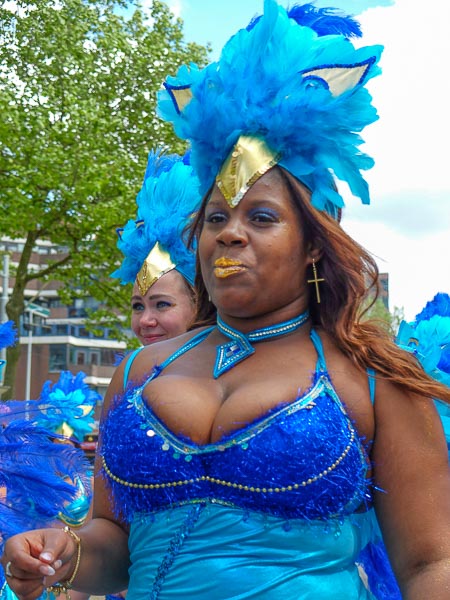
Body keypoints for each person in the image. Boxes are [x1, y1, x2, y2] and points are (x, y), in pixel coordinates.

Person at [2, 2, 450, 599]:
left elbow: (429, 564)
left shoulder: (373, 379)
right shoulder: (139, 370)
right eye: (216, 217)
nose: (230, 233)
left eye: (260, 217)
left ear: (314, 244)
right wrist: (65, 551)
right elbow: (114, 542)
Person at [111, 149, 200, 348]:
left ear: (200, 305)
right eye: (137, 306)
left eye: (161, 304)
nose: (145, 321)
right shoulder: (131, 374)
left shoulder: (240, 376)